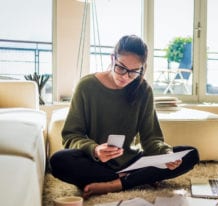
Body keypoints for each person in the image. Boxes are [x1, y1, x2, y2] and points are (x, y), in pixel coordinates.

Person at [50, 35, 200, 198]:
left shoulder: (143, 90)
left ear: (142, 68)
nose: (125, 76)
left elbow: (151, 139)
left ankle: (116, 184)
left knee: (190, 154)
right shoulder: (86, 86)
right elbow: (71, 135)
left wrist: (166, 153)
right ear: (113, 58)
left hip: (133, 162)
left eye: (134, 72)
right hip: (98, 163)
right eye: (120, 68)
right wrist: (95, 150)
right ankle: (134, 179)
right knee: (58, 161)